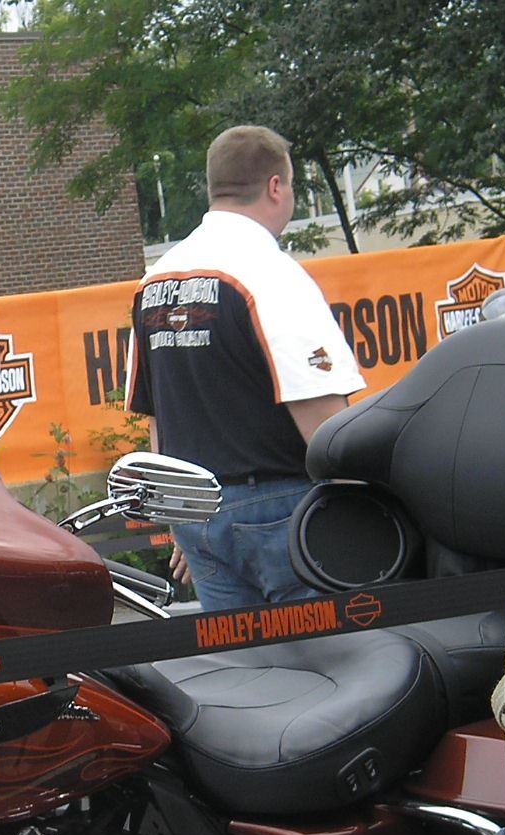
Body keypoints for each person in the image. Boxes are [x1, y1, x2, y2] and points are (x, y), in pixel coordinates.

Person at [126, 125, 364, 610]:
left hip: (198, 516)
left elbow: (157, 416)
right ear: (276, 186)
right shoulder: (270, 273)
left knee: (242, 677)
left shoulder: (156, 279)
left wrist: (183, 522)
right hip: (282, 513)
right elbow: (327, 425)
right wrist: (363, 515)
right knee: (331, 673)